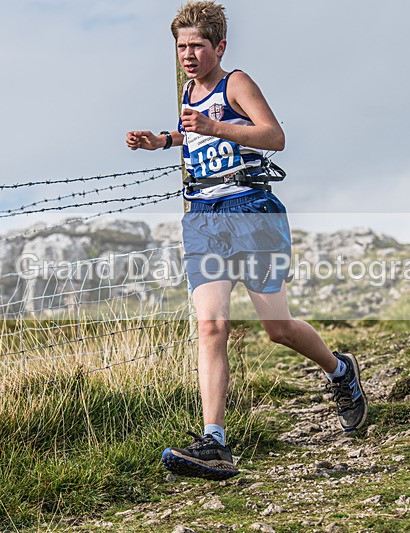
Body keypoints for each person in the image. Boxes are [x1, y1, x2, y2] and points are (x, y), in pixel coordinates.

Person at [125, 1, 367, 481]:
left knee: (276, 328)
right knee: (212, 326)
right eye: (181, 47)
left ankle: (340, 371)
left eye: (196, 45)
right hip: (203, 217)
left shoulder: (236, 82)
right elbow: (191, 135)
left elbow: (274, 136)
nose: (188, 55)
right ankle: (214, 440)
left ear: (220, 46)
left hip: (251, 211)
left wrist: (216, 126)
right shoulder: (188, 92)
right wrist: (162, 142)